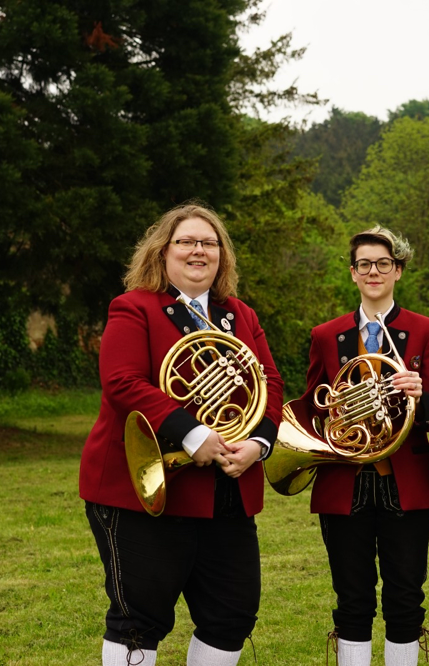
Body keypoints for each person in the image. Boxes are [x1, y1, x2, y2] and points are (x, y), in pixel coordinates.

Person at [79, 203, 284, 666]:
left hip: (226, 490)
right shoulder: (134, 307)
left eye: (209, 243)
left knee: (232, 614)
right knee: (139, 619)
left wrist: (257, 444)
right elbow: (122, 382)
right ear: (162, 252)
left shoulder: (240, 316)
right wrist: (192, 434)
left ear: (222, 255)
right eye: (187, 242)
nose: (199, 251)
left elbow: (271, 385)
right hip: (146, 490)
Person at [302, 227, 429, 666]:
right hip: (344, 480)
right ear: (352, 273)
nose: (373, 272)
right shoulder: (326, 335)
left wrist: (421, 395)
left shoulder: (428, 331)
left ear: (398, 271)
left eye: (383, 264)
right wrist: (333, 413)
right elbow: (312, 407)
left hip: (404, 480)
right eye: (364, 264)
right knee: (352, 598)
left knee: (405, 596)